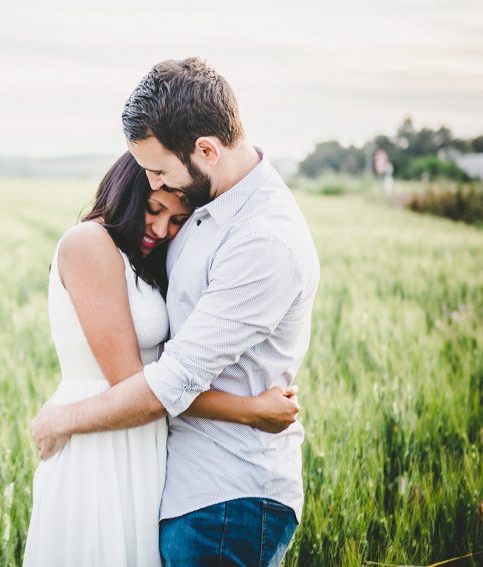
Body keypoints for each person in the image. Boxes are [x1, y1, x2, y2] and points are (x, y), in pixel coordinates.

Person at [31, 57, 321, 566]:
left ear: (206, 150)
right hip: (175, 480)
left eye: (160, 171)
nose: (155, 185)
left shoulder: (262, 239)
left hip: (227, 494)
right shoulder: (207, 214)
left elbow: (172, 378)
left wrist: (63, 420)